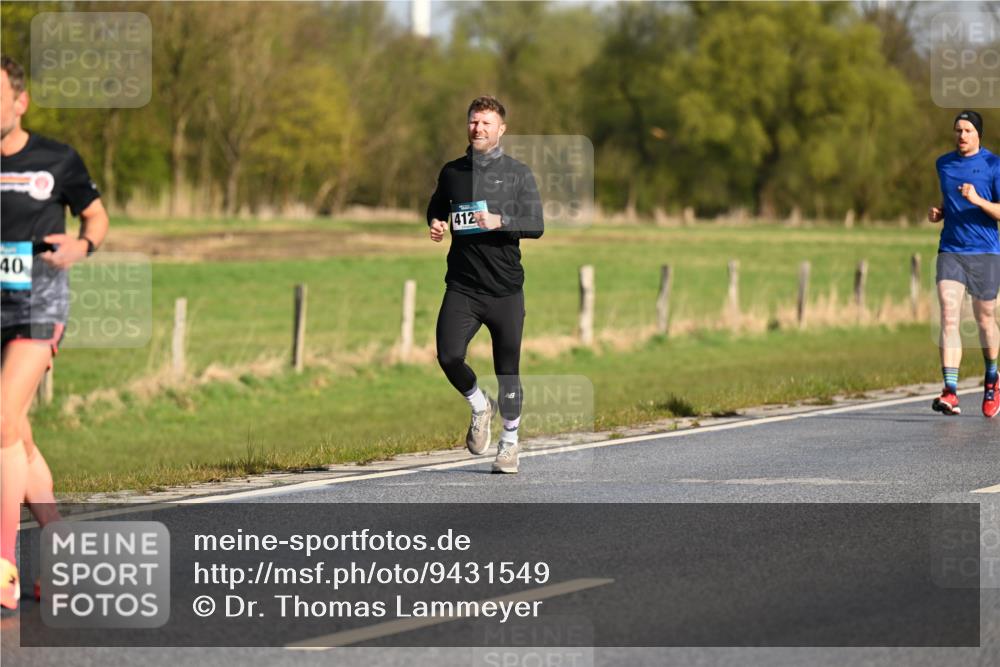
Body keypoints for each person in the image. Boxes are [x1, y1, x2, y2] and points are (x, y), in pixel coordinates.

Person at [0, 55, 109, 609]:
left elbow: (96, 217)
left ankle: (4, 570)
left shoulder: (56, 159)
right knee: (14, 433)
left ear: (20, 101)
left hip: (38, 305)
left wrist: (82, 246)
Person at [427, 96, 543, 473]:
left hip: (505, 290)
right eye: (474, 122)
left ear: (501, 130)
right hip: (463, 285)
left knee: (507, 370)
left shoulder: (518, 173)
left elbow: (536, 224)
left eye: (486, 123)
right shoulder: (452, 172)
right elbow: (437, 204)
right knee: (448, 355)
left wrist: (500, 221)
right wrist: (436, 222)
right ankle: (480, 405)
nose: (478, 128)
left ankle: (509, 443)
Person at [928, 110, 1000, 417]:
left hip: (985, 252)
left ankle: (993, 380)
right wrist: (942, 212)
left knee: (984, 319)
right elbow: (951, 198)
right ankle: (951, 391)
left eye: (968, 130)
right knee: (948, 314)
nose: (962, 135)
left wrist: (978, 201)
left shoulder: (993, 165)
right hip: (951, 250)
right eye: (958, 130)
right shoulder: (943, 164)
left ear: (978, 134)